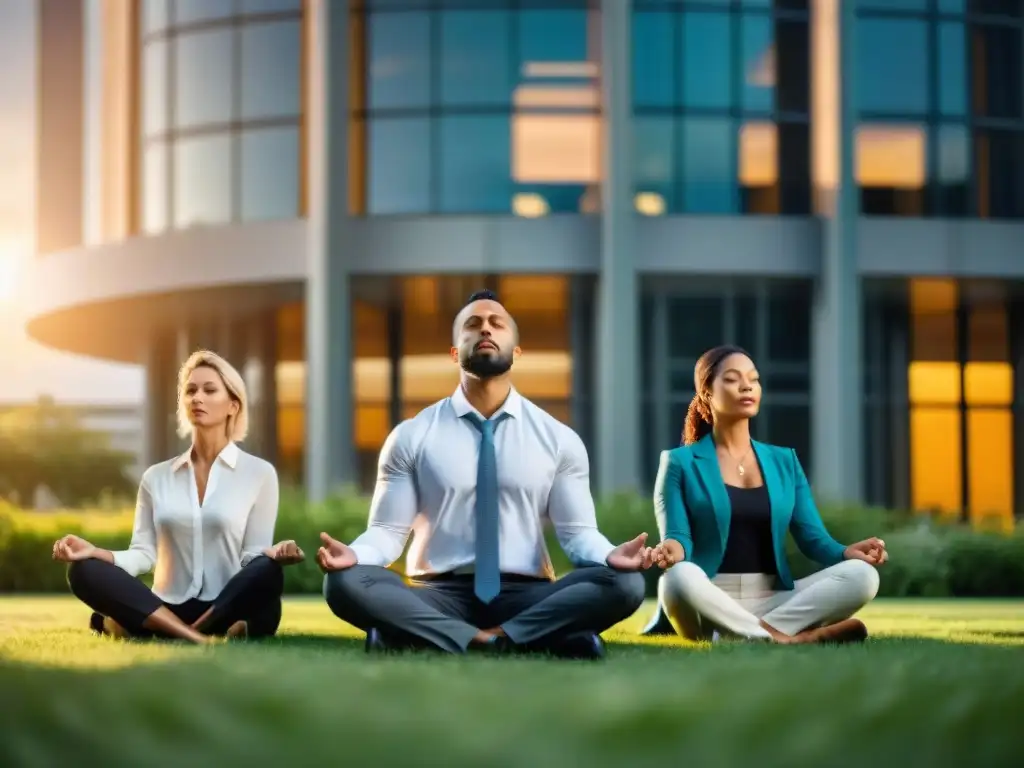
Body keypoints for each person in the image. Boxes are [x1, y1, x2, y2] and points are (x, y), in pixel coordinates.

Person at [319, 290, 652, 659]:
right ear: (454, 351)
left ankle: (419, 637)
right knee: (344, 583)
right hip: (437, 594)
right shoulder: (412, 435)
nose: (486, 330)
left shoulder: (559, 439)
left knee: (625, 583)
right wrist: (354, 554)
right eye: (472, 325)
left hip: (528, 594)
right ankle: (528, 639)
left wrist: (610, 555)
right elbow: (386, 533)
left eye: (497, 323)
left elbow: (578, 537)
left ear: (517, 351)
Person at [53, 350, 304, 644]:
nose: (197, 397)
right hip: (167, 603)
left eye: (209, 390)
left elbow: (252, 557)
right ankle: (193, 634)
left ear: (233, 405)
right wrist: (96, 553)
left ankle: (156, 628)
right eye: (190, 390)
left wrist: (273, 554)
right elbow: (143, 555)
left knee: (268, 573)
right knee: (83, 571)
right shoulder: (156, 477)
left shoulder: (259, 473)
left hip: (226, 604)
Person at [640, 344, 886, 645]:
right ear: (706, 393)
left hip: (774, 599)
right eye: (732, 379)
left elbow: (813, 540)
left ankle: (752, 635)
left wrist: (847, 552)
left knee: (863, 576)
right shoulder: (679, 462)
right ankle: (785, 637)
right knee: (677, 579)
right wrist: (672, 551)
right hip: (707, 599)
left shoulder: (785, 461)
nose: (747, 386)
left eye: (753, 379)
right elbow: (678, 537)